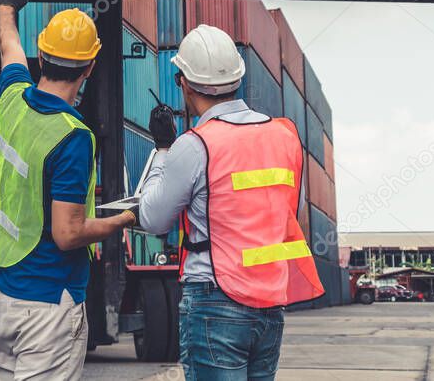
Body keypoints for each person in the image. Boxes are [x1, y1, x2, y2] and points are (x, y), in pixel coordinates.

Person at [138, 24, 324, 380]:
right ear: (238, 77)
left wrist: (163, 149)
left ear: (185, 83)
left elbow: (153, 219)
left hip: (214, 300)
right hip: (270, 304)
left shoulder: (195, 145)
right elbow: (282, 212)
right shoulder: (285, 136)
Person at [0, 0, 136, 381]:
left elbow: (8, 46)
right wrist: (123, 219)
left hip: (2, 300)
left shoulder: (12, 97)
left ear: (43, 54)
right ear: (90, 68)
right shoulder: (72, 136)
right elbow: (67, 233)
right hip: (48, 308)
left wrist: (6, 7)